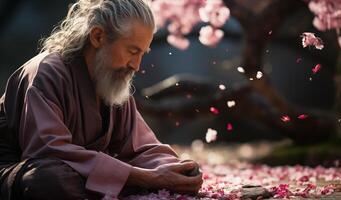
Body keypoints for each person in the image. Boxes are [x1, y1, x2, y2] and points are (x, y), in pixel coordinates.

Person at [0, 0, 203, 199]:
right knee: (49, 180)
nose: (136, 65)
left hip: (79, 174)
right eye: (132, 51)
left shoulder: (112, 81)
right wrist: (150, 178)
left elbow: (141, 147)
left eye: (142, 53)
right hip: (20, 169)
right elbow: (48, 151)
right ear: (98, 37)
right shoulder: (48, 72)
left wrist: (174, 170)